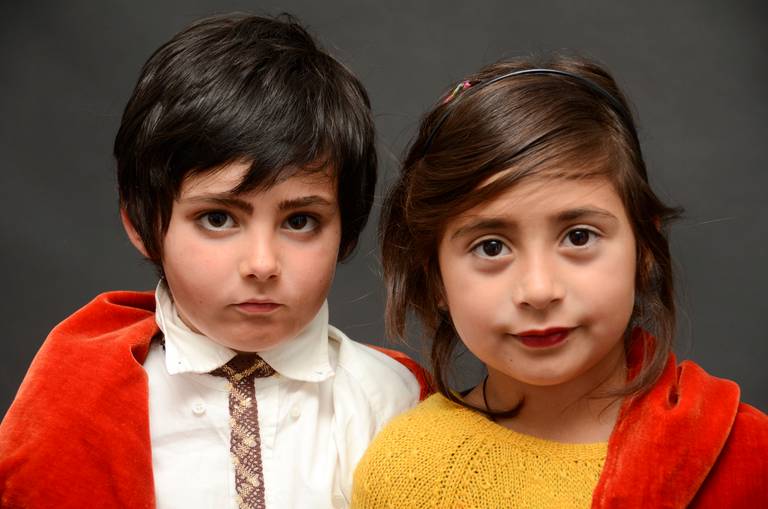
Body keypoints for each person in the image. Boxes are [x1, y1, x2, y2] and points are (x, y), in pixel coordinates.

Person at [0, 13, 429, 509]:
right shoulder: (80, 403)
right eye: (218, 219)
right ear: (141, 224)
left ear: (346, 230)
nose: (262, 264)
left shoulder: (393, 399)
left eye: (300, 221)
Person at [351, 55, 768, 507]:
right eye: (491, 247)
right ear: (434, 278)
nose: (539, 290)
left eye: (579, 237)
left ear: (644, 250)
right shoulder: (409, 471)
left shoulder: (745, 457)